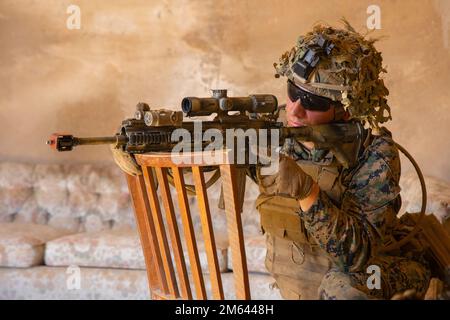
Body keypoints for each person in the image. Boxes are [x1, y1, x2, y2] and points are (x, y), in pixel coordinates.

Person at [257, 21, 431, 299]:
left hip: (373, 271)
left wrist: (308, 192)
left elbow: (357, 257)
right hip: (300, 281)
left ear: (346, 112)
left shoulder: (372, 151)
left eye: (313, 102)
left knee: (344, 288)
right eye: (292, 91)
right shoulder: (271, 128)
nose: (295, 109)